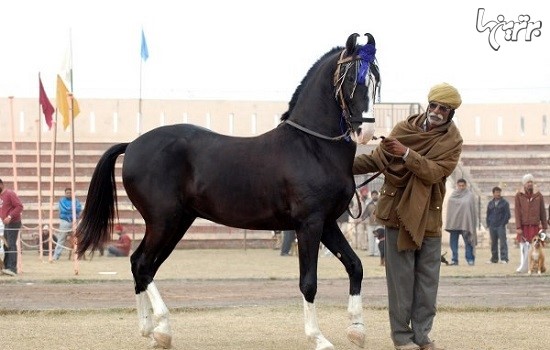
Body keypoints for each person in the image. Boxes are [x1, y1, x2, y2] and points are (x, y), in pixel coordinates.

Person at [353, 82, 463, 350]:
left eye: (443, 109)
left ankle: (422, 336)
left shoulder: (452, 142)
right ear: (428, 105)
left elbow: (435, 172)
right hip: (397, 214)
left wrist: (406, 153)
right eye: (434, 105)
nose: (437, 111)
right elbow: (377, 160)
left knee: (427, 284)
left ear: (451, 113)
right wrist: (338, 163)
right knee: (400, 282)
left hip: (429, 218)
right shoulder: (403, 129)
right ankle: (402, 338)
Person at [514, 173, 547, 273]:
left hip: (535, 225)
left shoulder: (538, 195)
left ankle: (538, 268)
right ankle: (524, 266)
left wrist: (544, 226)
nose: (530, 184)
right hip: (523, 226)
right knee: (524, 246)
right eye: (528, 182)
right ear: (524, 184)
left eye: (531, 182)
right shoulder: (518, 196)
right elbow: (517, 212)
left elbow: (542, 211)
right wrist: (518, 227)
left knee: (537, 246)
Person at [445, 178, 477, 266]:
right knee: (453, 242)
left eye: (463, 186)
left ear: (466, 185)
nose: (461, 187)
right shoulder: (453, 195)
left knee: (468, 242)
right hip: (454, 223)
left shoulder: (469, 195)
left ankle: (470, 259)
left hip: (466, 223)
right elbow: (450, 209)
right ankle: (454, 260)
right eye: (459, 185)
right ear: (457, 185)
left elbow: (471, 210)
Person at [0, 179, 24, 276]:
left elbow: (19, 206)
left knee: (11, 244)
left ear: (1, 184)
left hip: (13, 222)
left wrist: (10, 216)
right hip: (6, 223)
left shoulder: (9, 193)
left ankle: (12, 268)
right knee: (6, 244)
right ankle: (6, 267)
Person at [54, 187, 82, 260]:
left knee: (77, 237)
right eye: (67, 193)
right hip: (65, 221)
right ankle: (56, 256)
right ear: (65, 194)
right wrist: (73, 209)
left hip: (74, 221)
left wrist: (73, 209)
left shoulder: (76, 201)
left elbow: (79, 208)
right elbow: (64, 209)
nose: (69, 194)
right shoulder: (62, 201)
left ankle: (77, 255)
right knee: (61, 239)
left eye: (70, 193)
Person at [485, 186, 511, 264]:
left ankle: (504, 258)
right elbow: (488, 214)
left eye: (499, 192)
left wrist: (503, 223)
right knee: (493, 243)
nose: (498, 194)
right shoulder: (490, 203)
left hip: (500, 226)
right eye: (496, 192)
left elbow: (507, 215)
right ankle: (494, 259)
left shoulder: (505, 203)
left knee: (503, 242)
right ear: (493, 194)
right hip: (492, 226)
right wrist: (488, 224)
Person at [365, 190, 380, 256]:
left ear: (377, 195)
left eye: (375, 195)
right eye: (373, 195)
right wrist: (361, 219)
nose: (374, 196)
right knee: (371, 239)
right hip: (370, 224)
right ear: (371, 196)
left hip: (379, 224)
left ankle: (377, 253)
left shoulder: (381, 203)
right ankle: (371, 252)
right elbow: (365, 213)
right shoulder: (369, 204)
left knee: (377, 239)